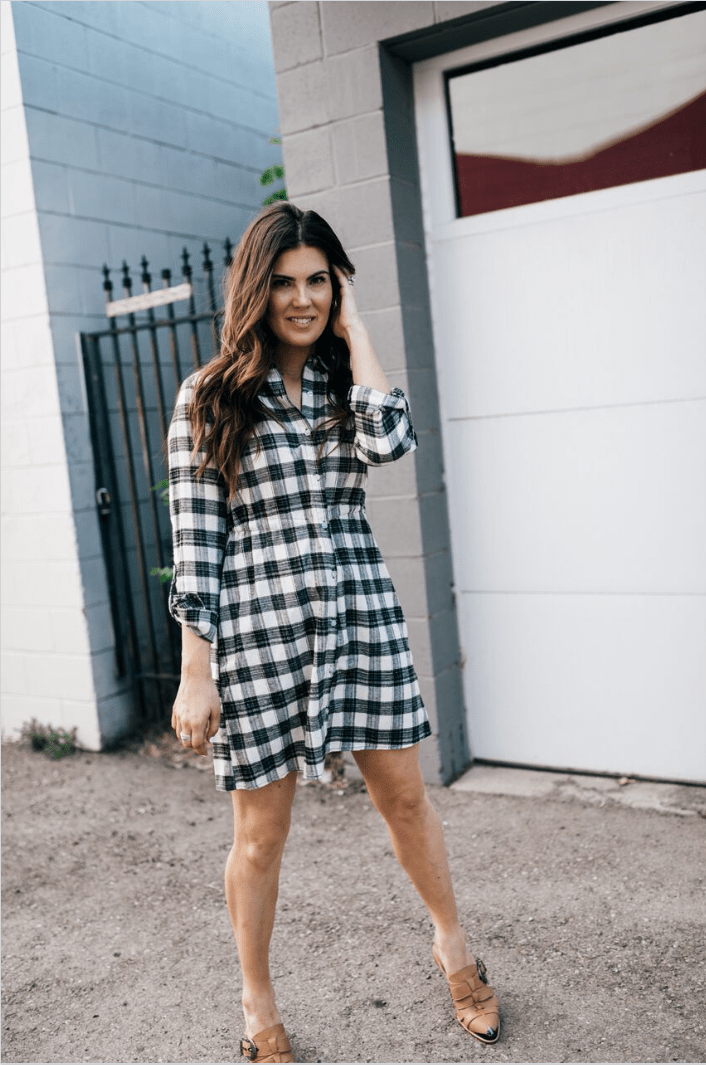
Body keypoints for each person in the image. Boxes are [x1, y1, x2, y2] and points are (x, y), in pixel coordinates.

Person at [167, 202, 500, 1062]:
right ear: (256, 289)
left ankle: (454, 948)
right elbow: (198, 542)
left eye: (319, 281)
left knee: (405, 798)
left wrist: (359, 330)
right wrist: (197, 669)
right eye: (284, 282)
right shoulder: (209, 396)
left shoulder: (346, 381)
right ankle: (257, 1003)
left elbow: (393, 444)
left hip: (361, 618)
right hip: (260, 630)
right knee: (260, 834)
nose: (303, 299)